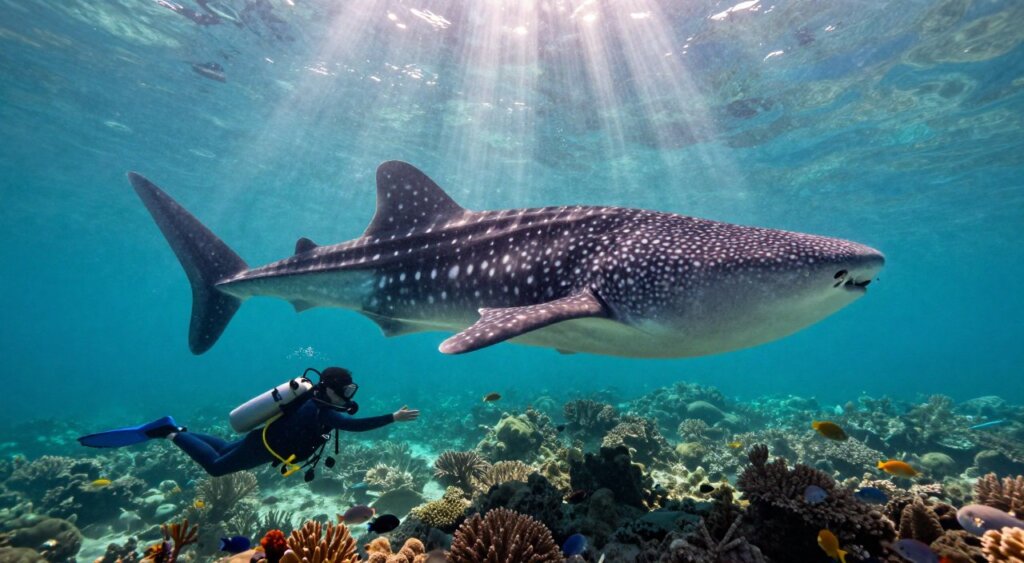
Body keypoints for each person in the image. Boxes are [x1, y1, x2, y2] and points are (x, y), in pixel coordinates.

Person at [78, 367, 419, 479]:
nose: (348, 395)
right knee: (215, 467)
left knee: (225, 449)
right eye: (344, 389)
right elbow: (355, 426)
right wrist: (393, 417)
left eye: (351, 390)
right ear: (329, 388)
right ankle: (169, 431)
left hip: (264, 439)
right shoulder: (322, 410)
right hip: (266, 446)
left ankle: (175, 429)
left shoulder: (315, 402)